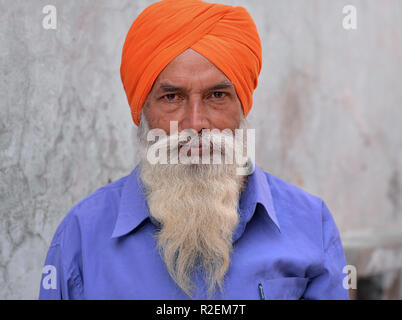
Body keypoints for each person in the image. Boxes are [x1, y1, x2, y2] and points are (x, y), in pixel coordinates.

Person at [39, 0, 349, 300]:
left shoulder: (310, 223)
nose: (195, 123)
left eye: (217, 95)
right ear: (143, 110)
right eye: (172, 97)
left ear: (242, 107)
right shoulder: (82, 235)